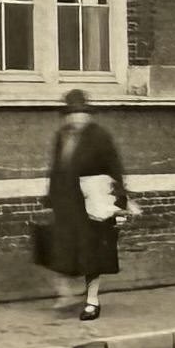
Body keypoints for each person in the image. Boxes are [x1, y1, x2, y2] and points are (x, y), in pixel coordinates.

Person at [38, 89, 132, 321]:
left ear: (88, 115)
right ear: (66, 116)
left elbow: (114, 169)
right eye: (72, 114)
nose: (77, 118)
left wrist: (119, 204)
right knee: (62, 249)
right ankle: (67, 294)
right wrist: (50, 200)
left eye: (81, 114)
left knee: (93, 255)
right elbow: (56, 169)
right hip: (67, 204)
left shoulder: (100, 137)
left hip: (92, 205)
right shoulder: (62, 136)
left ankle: (92, 301)